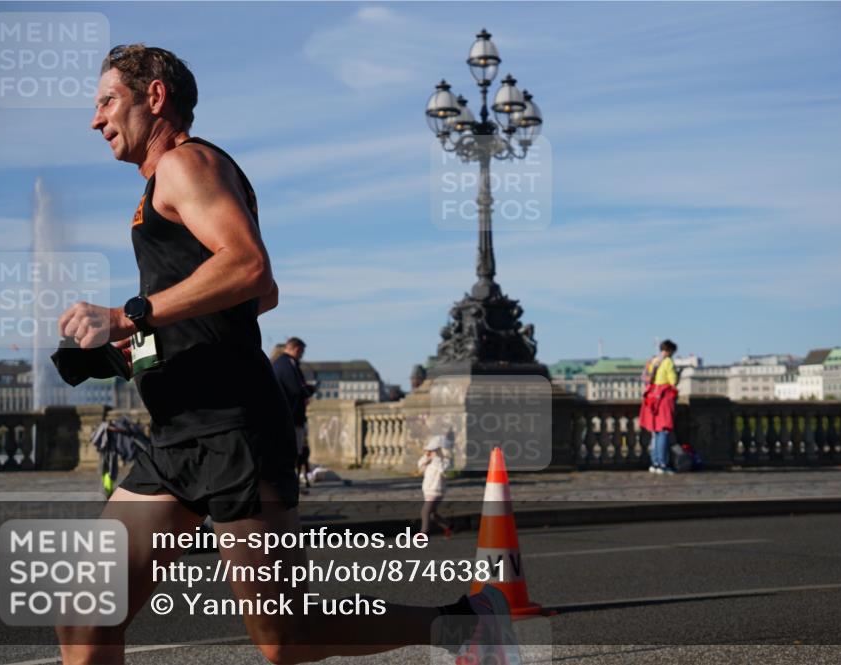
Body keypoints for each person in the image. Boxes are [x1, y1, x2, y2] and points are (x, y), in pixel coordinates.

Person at [55, 44, 515, 665]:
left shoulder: (186, 164)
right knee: (84, 614)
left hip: (233, 433)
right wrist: (134, 342)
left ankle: (466, 623)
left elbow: (250, 269)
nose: (96, 119)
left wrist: (128, 314)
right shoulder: (176, 180)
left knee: (286, 637)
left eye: (108, 101)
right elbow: (257, 298)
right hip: (178, 435)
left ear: (154, 97)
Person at [272, 337, 315, 489]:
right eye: (301, 352)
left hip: (285, 415)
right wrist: (309, 391)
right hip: (292, 416)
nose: (301, 356)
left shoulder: (279, 363)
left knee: (290, 452)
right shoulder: (287, 364)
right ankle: (290, 483)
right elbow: (296, 389)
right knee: (294, 452)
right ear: (296, 349)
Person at [639, 339, 680, 475]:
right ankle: (662, 464)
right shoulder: (668, 362)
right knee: (663, 432)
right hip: (663, 399)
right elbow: (673, 381)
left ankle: (654, 463)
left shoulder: (652, 361)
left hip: (651, 399)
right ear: (670, 350)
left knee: (655, 433)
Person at [418, 435, 453, 538]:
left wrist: (436, 458)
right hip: (428, 489)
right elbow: (420, 466)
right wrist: (427, 457)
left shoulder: (445, 461)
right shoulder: (430, 459)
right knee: (432, 514)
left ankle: (424, 532)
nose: (432, 452)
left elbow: (443, 470)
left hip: (437, 490)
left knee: (425, 511)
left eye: (435, 450)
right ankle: (448, 526)